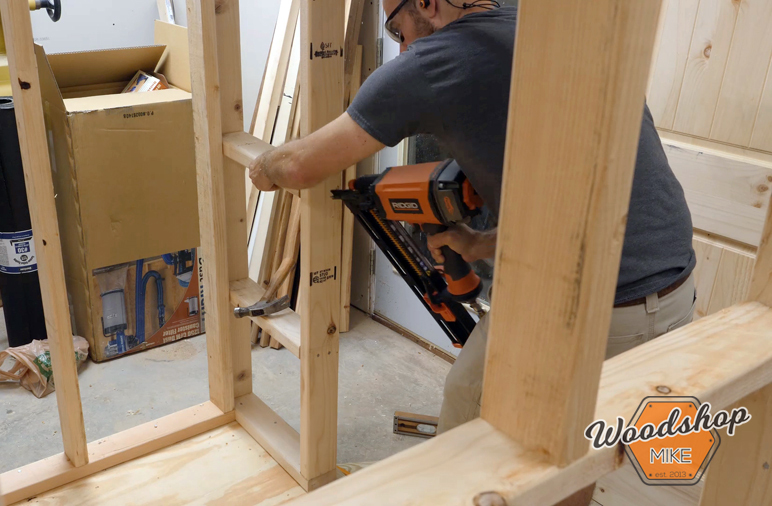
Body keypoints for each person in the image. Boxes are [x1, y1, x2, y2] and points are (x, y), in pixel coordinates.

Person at [248, 0, 696, 435]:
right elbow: (572, 190)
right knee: (585, 445)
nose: (401, 48)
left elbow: (300, 166)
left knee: (474, 420)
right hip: (676, 285)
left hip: (594, 311)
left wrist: (262, 166)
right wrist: (482, 244)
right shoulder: (542, 21)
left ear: (426, 3)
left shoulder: (432, 63)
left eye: (396, 30)